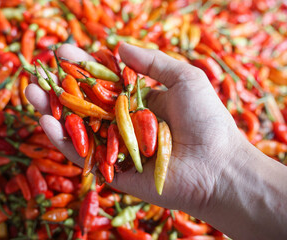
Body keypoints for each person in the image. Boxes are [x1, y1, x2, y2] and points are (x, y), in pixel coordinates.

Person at [26, 43, 287, 239]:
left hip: (119, 107)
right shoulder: (122, 107)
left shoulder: (133, 109)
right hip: (110, 105)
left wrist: (219, 172)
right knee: (88, 125)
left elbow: (113, 114)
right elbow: (103, 118)